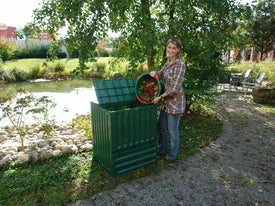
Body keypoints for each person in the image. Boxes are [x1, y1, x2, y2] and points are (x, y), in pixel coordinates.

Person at [150, 37, 186, 161]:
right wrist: (154, 73)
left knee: (172, 130)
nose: (170, 50)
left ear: (178, 50)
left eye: (174, 48)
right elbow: (161, 73)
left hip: (175, 102)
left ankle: (172, 154)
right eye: (169, 47)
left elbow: (174, 88)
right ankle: (162, 149)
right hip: (166, 101)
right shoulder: (169, 61)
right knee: (160, 126)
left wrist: (159, 97)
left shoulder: (180, 65)